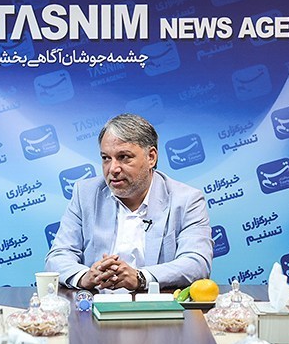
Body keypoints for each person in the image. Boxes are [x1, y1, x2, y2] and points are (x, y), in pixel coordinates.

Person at [45, 113, 213, 291]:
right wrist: (85, 277)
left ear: (151, 157)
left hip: (153, 305)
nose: (113, 169)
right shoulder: (85, 194)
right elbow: (58, 256)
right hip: (96, 302)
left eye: (124, 157)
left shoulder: (186, 200)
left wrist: (140, 277)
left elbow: (197, 262)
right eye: (106, 158)